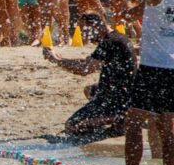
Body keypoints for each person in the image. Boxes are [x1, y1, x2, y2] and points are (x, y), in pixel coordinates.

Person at [115, 0, 174, 165]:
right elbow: (133, 13)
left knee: (134, 123)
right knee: (166, 126)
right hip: (172, 65)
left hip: (152, 66)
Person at [43, 12, 136, 144]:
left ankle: (119, 118)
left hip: (117, 97)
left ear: (95, 25)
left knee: (72, 126)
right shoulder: (117, 37)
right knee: (89, 90)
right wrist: (60, 57)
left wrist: (55, 60)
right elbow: (88, 61)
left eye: (84, 29)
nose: (84, 35)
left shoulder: (110, 42)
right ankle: (113, 117)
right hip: (119, 91)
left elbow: (84, 69)